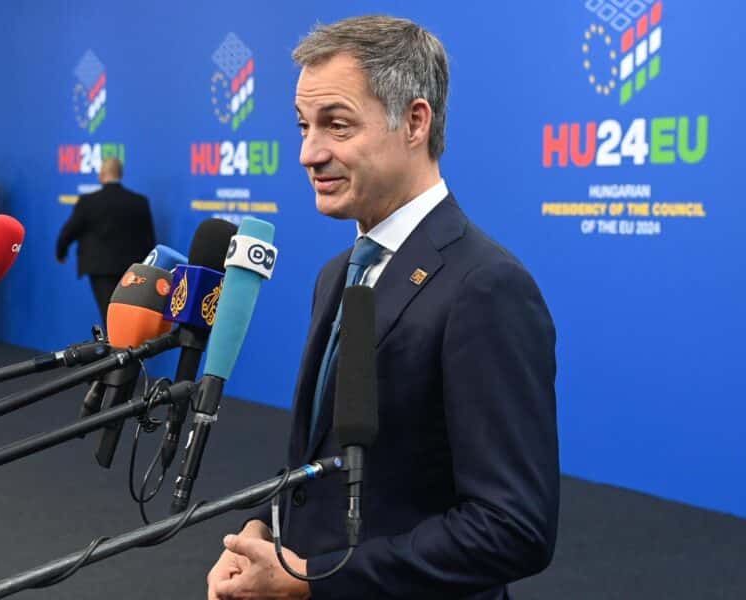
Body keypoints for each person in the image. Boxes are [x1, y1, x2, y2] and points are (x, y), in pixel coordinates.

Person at [207, 16, 559, 600]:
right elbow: (322, 460)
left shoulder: (487, 287)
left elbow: (513, 528)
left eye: (336, 125)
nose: (307, 153)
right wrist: (259, 534)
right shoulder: (334, 275)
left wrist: (314, 583)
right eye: (303, 126)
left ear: (415, 122)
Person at [56, 157, 156, 324]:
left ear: (101, 174)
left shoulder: (88, 202)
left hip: (99, 268)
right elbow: (149, 238)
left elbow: (69, 231)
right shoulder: (139, 202)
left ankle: (115, 349)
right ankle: (126, 348)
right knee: (127, 313)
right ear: (121, 174)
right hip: (132, 270)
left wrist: (61, 252)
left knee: (108, 313)